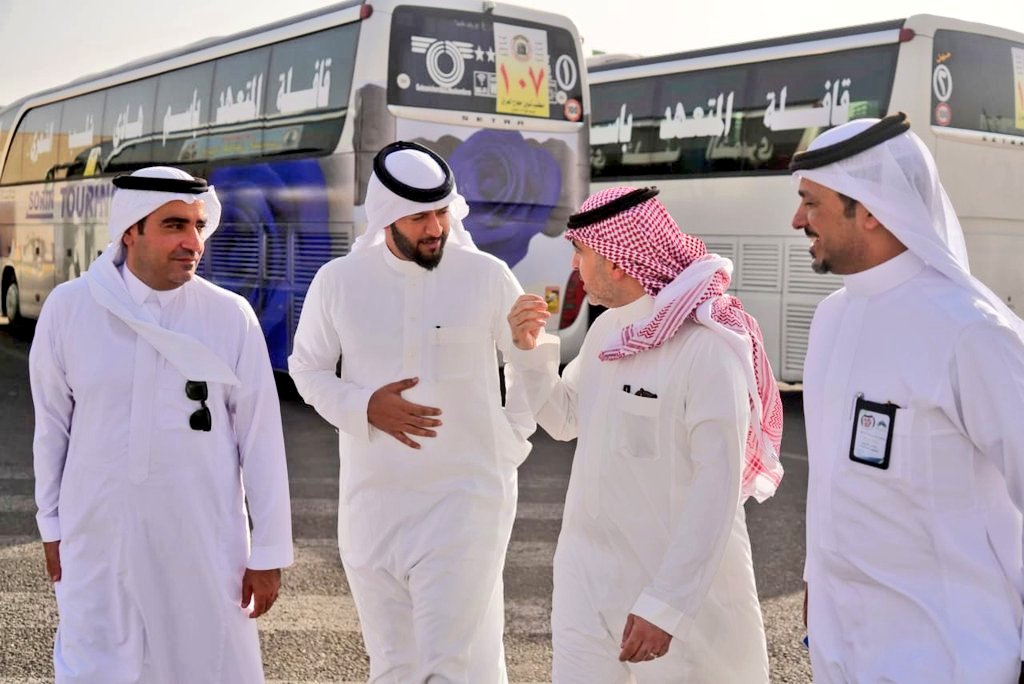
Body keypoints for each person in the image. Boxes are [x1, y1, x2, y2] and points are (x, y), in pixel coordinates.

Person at [506, 186, 784, 683]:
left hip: (672, 597)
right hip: (586, 583)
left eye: (581, 251)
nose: (574, 265)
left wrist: (667, 604)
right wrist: (529, 354)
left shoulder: (706, 349)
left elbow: (717, 487)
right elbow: (566, 420)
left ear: (616, 261)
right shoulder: (607, 331)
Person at [30, 166, 294, 684]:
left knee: (206, 668)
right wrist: (51, 525)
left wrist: (268, 552)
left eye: (199, 226)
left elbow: (261, 439)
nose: (193, 242)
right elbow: (51, 429)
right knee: (94, 668)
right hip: (99, 537)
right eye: (175, 225)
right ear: (131, 230)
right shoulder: (70, 308)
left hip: (202, 540)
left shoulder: (229, 316)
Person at [288, 141, 534, 682]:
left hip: (464, 502)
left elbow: (526, 359)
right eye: (420, 216)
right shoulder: (339, 282)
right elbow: (306, 368)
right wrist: (363, 406)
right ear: (386, 216)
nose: (435, 228)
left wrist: (512, 437)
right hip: (373, 506)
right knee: (396, 664)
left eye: (442, 213)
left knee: (446, 664)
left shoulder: (486, 275)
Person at [790, 113, 1024, 683]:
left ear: (871, 209)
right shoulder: (830, 318)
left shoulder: (971, 331)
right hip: (840, 646)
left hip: (950, 655)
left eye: (811, 203)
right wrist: (815, 579)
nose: (797, 220)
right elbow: (831, 480)